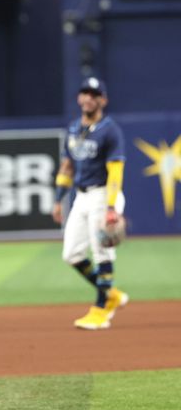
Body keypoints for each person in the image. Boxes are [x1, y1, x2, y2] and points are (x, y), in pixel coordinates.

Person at [52, 76, 128, 330]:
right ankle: (112, 294)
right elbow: (67, 165)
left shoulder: (110, 130)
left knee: (102, 252)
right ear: (79, 98)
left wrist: (111, 207)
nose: (88, 98)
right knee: (71, 254)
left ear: (103, 100)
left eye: (94, 94)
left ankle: (100, 310)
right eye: (85, 93)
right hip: (81, 197)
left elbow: (116, 171)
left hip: (103, 194)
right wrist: (58, 199)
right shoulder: (74, 129)